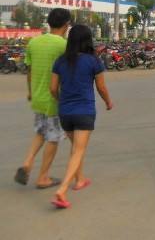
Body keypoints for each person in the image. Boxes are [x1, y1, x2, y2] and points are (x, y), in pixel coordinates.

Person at [49, 24, 113, 209]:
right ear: (88, 39)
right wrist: (109, 102)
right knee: (78, 150)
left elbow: (53, 88)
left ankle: (80, 179)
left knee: (76, 148)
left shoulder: (60, 61)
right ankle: (62, 190)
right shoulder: (94, 61)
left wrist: (61, 101)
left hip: (65, 112)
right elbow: (101, 87)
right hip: (84, 111)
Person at [15, 8, 71, 189]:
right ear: (66, 25)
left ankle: (27, 163)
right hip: (55, 98)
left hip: (38, 96)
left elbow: (29, 71)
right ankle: (43, 177)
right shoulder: (64, 46)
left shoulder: (34, 42)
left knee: (40, 132)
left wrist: (30, 91)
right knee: (53, 138)